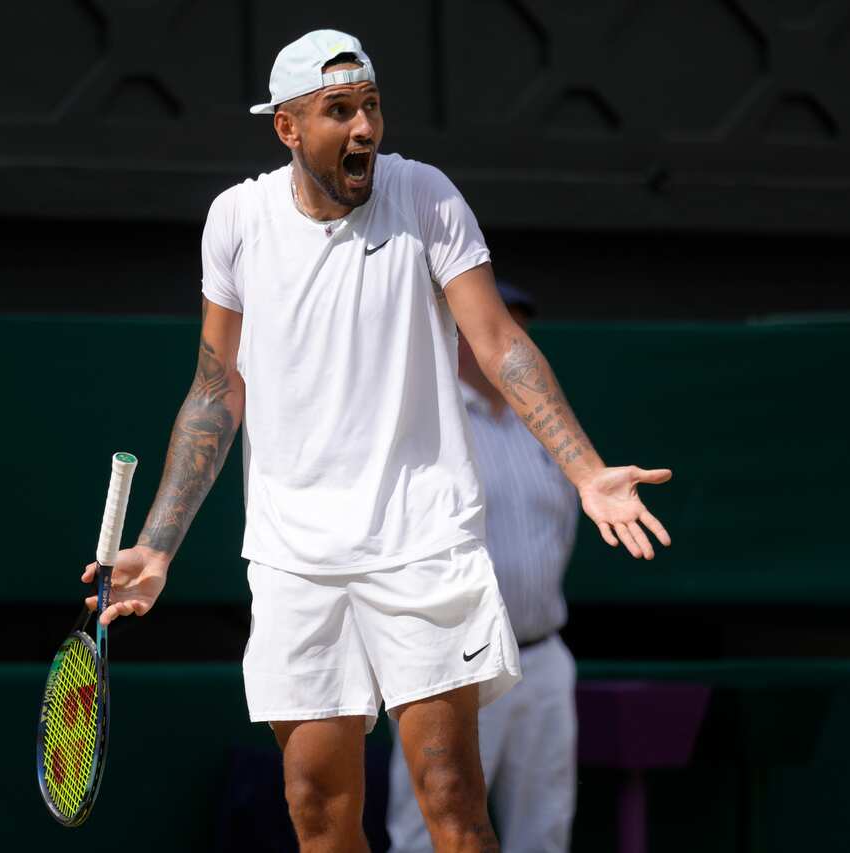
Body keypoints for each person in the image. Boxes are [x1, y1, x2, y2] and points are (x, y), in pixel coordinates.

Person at [82, 30, 672, 852]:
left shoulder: (427, 196)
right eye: (338, 111)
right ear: (288, 127)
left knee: (452, 802)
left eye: (371, 107)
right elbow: (217, 389)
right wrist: (157, 542)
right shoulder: (237, 220)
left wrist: (584, 469)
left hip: (422, 544)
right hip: (295, 558)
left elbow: (498, 340)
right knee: (316, 810)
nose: (363, 128)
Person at [387, 280, 581, 852]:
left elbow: (561, 527)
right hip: (455, 663)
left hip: (545, 655)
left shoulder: (543, 427)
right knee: (430, 833)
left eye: (517, 327)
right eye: (490, 325)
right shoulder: (426, 424)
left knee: (544, 830)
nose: (505, 339)